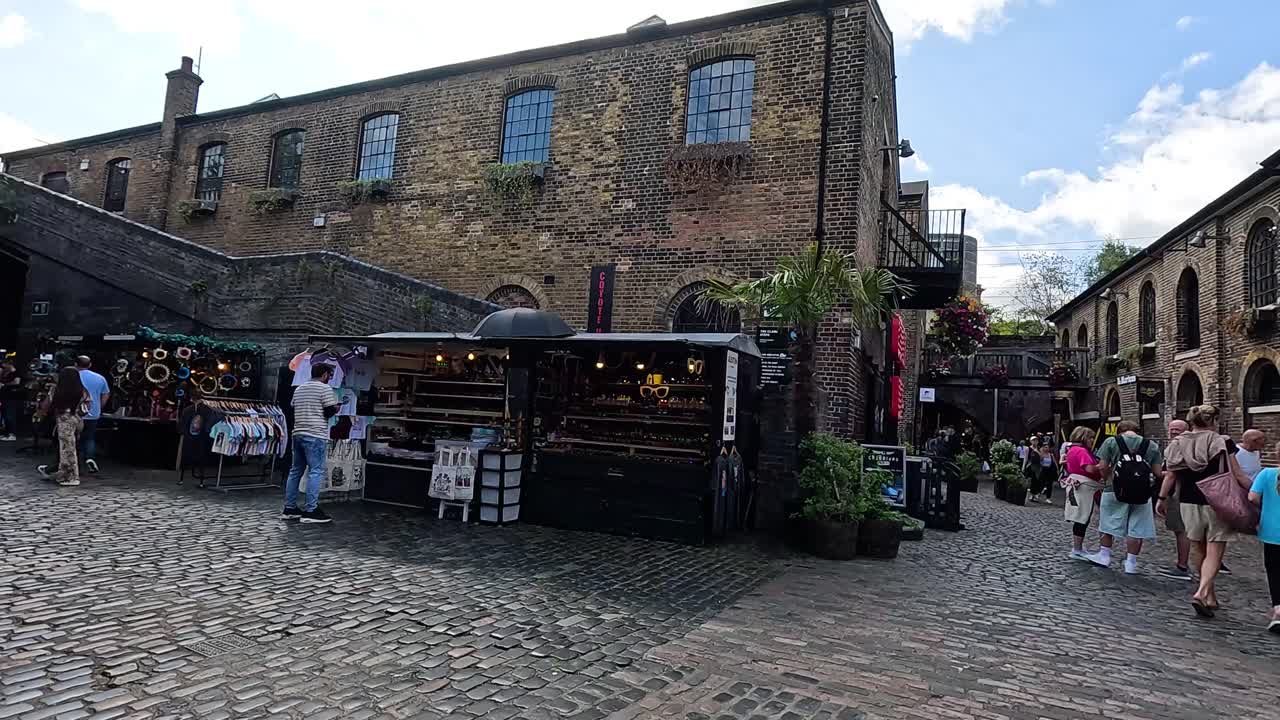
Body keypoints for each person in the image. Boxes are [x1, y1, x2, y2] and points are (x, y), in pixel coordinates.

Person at [1157, 405, 1253, 618]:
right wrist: (1257, 491)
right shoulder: (1222, 441)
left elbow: (1171, 475)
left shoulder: (1179, 442)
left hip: (1188, 500)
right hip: (1218, 499)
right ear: (1213, 421)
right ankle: (1201, 592)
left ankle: (1210, 595)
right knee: (1215, 548)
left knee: (1197, 546)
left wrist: (1162, 498)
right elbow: (1237, 475)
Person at [1091, 420, 1162, 574]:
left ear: (1119, 430)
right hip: (1142, 491)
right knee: (1137, 527)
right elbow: (1158, 473)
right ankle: (1131, 563)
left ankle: (1104, 555)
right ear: (1137, 431)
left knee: (1107, 522)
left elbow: (1102, 466)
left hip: (1114, 489)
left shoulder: (1111, 441)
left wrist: (1106, 478)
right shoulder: (1151, 445)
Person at [281, 363, 340, 524]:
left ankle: (290, 508)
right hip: (315, 434)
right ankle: (311, 510)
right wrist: (336, 408)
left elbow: (294, 406)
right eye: (330, 375)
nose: (330, 378)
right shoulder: (325, 389)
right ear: (325, 374)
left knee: (295, 471)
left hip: (298, 433)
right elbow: (328, 412)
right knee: (316, 471)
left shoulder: (299, 389)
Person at [1158, 419, 1196, 581]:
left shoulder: (1180, 446)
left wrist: (1162, 497)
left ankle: (1182, 566)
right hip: (1188, 492)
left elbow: (1172, 474)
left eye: (1178, 429)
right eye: (1172, 428)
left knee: (1182, 530)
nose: (1173, 431)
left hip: (1181, 493)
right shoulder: (1195, 445)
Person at [36, 367, 88, 486]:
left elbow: (46, 405)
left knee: (66, 448)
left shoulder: (57, 390)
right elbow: (87, 406)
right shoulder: (81, 390)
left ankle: (69, 476)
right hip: (77, 419)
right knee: (72, 447)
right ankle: (66, 473)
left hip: (64, 419)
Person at [1248, 445, 1280, 633]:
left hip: (1272, 531)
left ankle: (1278, 609)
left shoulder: (1267, 474)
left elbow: (1252, 497)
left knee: (1275, 571)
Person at [1062, 425, 1104, 561]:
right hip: (1086, 487)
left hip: (1079, 485)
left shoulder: (1072, 450)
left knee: (1081, 517)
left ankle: (1078, 548)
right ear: (1084, 438)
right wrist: (1103, 465)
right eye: (1091, 438)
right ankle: (1077, 549)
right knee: (1083, 518)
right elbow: (1090, 469)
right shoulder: (1081, 451)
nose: (1092, 440)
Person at [76, 356, 109, 474]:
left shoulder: (73, 376)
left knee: (74, 437)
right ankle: (90, 458)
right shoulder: (100, 378)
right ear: (90, 364)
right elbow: (105, 394)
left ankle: (76, 462)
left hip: (77, 412)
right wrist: (99, 406)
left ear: (76, 364)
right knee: (89, 437)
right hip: (93, 412)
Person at [0, 358, 22, 441]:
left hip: (12, 397)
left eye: (5, 365)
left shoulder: (16, 372)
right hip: (5, 397)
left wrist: (4, 385)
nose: (4, 367)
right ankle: (7, 433)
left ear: (9, 364)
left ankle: (12, 434)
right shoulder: (6, 373)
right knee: (5, 415)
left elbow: (17, 382)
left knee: (10, 415)